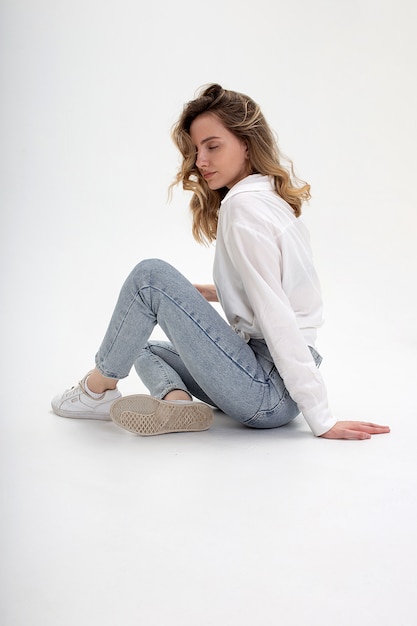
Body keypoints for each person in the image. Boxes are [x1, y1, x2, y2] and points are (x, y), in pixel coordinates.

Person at [52, 83, 390, 440]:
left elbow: (276, 313)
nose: (200, 161)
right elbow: (278, 289)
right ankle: (178, 403)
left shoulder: (242, 207)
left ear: (246, 144)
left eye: (213, 146)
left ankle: (96, 392)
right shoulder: (269, 199)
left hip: (265, 388)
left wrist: (322, 418)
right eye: (197, 150)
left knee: (149, 277)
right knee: (144, 346)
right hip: (271, 386)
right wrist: (201, 295)